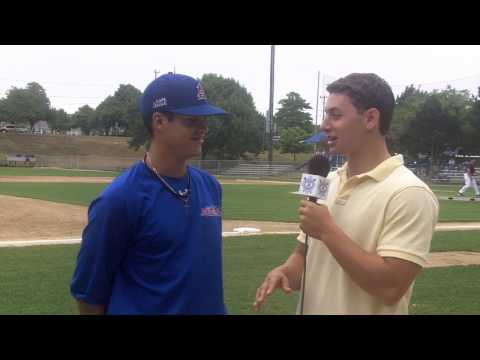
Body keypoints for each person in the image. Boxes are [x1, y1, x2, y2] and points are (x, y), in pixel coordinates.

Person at [253, 73, 439, 315]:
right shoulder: (327, 181)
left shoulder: (410, 193)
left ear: (371, 118)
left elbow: (390, 287)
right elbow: (304, 254)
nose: (324, 125)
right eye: (325, 114)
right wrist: (286, 272)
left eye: (336, 115)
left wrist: (328, 230)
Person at [71, 72, 228, 314]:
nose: (203, 128)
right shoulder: (119, 200)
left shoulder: (210, 187)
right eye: (191, 120)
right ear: (159, 121)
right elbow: (89, 294)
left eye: (204, 120)